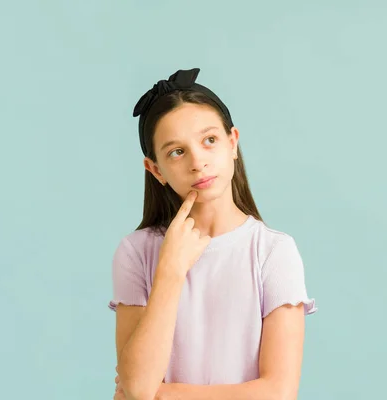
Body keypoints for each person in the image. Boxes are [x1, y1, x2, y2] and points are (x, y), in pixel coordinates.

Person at [108, 68, 317, 400]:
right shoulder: (136, 253)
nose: (197, 162)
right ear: (156, 169)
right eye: (177, 151)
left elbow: (278, 392)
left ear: (232, 142)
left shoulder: (273, 252)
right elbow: (136, 387)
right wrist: (170, 272)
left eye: (209, 140)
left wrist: (164, 395)